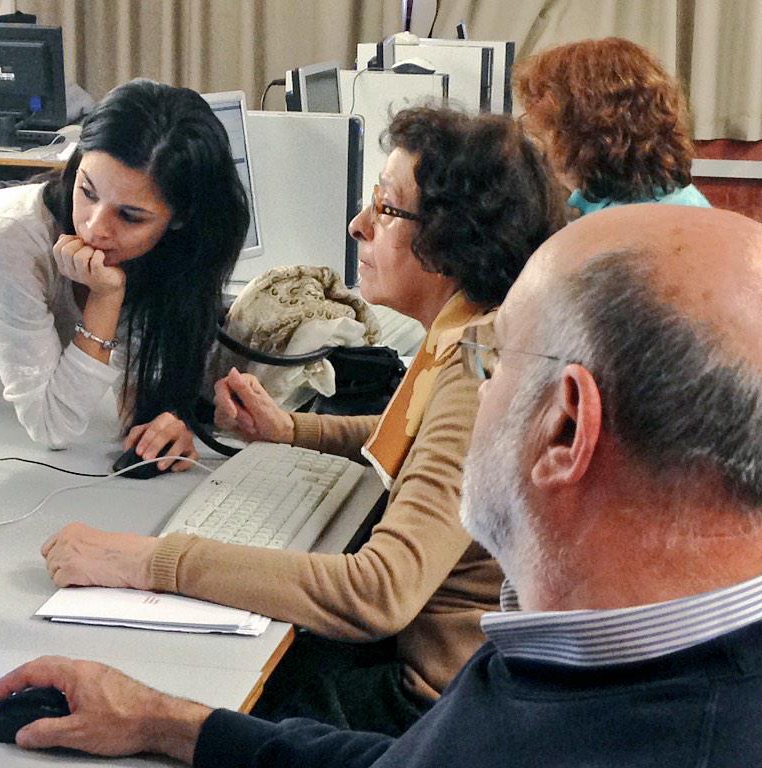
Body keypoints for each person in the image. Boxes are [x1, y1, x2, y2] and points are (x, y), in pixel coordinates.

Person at [0, 203, 762, 767]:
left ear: (564, 431)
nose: (466, 397)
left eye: (491, 365)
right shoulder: (609, 655)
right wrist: (162, 719)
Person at [38, 106, 567, 734]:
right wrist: (292, 432)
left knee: (176, 689)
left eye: (387, 210)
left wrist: (148, 562)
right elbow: (418, 444)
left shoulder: (474, 373)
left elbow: (377, 592)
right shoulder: (474, 326)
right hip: (455, 678)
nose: (358, 224)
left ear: (453, 238)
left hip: (426, 707)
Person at [0, 79, 250, 464]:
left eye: (129, 216)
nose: (94, 228)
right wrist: (106, 298)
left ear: (179, 221)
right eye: (87, 191)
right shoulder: (11, 238)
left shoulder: (172, 255)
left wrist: (168, 424)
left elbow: (140, 396)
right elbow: (51, 426)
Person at [513, 37, 711, 215]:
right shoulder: (671, 200)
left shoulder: (647, 219)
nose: (539, 142)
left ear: (585, 130)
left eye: (549, 128)